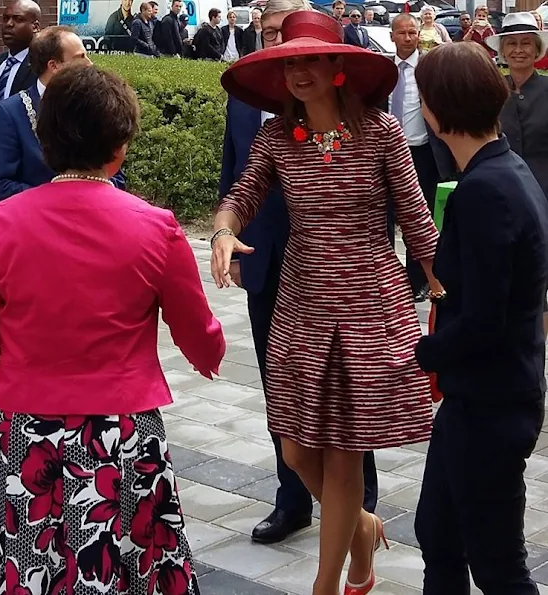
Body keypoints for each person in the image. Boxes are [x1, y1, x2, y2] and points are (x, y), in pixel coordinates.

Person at [0, 62, 225, 594]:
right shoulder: (155, 227)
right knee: (124, 565)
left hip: (20, 427)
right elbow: (196, 329)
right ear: (121, 144)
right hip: (121, 429)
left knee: (21, 563)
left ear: (45, 141)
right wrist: (210, 354)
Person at [215, 10, 441, 595]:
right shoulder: (274, 136)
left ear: (339, 66)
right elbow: (241, 194)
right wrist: (222, 231)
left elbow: (417, 220)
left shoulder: (382, 132)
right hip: (301, 302)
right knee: (295, 449)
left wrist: (444, 281)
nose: (299, 72)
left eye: (311, 59)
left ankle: (328, 584)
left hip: (369, 300)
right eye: (290, 61)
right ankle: (361, 527)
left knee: (343, 449)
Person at [220, 0, 379, 548]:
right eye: (271, 40)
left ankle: (359, 503)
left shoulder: (368, 127)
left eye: (292, 44)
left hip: (352, 282)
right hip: (273, 271)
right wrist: (227, 238)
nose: (285, 55)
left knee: (348, 401)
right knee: (284, 400)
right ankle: (296, 502)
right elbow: (234, 182)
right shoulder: (248, 113)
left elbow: (407, 211)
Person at [414, 41, 548, 595]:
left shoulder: (487, 190)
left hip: (491, 403)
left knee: (498, 568)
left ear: (439, 109)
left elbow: (485, 320)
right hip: (480, 399)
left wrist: (416, 354)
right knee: (438, 534)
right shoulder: (503, 169)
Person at [0, 27, 126, 203]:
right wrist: (59, 200)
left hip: (94, 217)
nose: (89, 63)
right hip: (37, 224)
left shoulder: (95, 105)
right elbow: (0, 186)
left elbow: (117, 176)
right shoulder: (9, 112)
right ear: (54, 66)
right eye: (80, 57)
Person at [388, 13, 455, 302]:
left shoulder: (430, 69)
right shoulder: (383, 71)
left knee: (419, 217)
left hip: (422, 154)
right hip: (386, 154)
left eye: (412, 33)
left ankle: (418, 279)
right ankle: (387, 278)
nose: (408, 38)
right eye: (402, 33)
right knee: (384, 215)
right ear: (392, 36)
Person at [0, 0, 41, 208]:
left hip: (20, 158)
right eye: (5, 18)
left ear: (36, 26)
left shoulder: (40, 66)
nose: (8, 24)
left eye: (18, 19)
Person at [491, 12, 548, 199]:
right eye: (511, 43)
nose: (518, 50)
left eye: (526, 43)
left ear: (537, 49)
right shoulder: (493, 91)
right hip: (502, 190)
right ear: (503, 51)